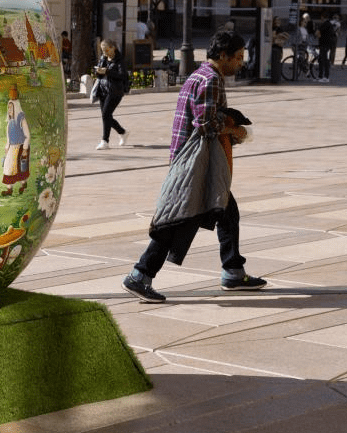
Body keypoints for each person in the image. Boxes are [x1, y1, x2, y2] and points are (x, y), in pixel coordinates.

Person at [121, 30, 267, 303]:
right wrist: (236, 130)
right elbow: (206, 123)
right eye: (236, 58)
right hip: (194, 165)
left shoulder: (198, 75)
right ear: (222, 56)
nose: (240, 63)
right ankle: (140, 275)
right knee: (178, 219)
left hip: (192, 161)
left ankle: (233, 271)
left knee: (226, 212)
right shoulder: (211, 79)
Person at [94, 39, 130, 150]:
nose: (104, 53)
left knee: (106, 114)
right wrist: (98, 71)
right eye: (102, 50)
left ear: (113, 48)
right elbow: (99, 75)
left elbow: (123, 76)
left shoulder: (119, 60)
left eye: (106, 50)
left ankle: (105, 141)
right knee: (106, 116)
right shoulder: (103, 58)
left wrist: (108, 72)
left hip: (115, 91)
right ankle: (122, 132)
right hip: (102, 90)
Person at [1, 86, 31, 196]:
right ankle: (9, 189)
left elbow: (27, 135)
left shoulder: (21, 120)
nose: (9, 110)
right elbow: (8, 137)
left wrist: (25, 149)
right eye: (8, 108)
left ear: (16, 108)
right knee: (8, 167)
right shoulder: (10, 122)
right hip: (12, 148)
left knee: (20, 168)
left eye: (11, 108)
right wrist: (7, 146)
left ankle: (23, 185)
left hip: (21, 146)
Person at [316, 13, 334, 83]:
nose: (321, 19)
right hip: (325, 44)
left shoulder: (326, 24)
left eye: (321, 18)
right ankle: (320, 76)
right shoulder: (329, 24)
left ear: (323, 17)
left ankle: (326, 77)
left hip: (325, 45)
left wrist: (318, 35)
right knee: (321, 60)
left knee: (325, 61)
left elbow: (318, 33)